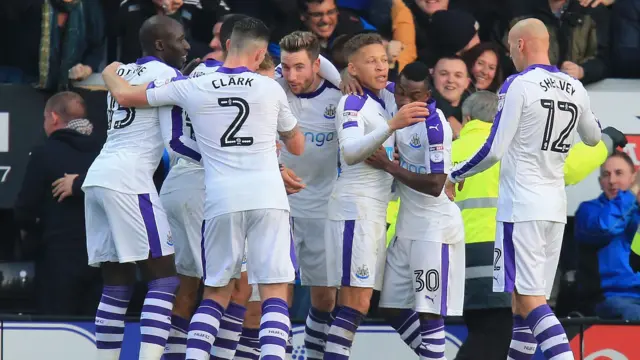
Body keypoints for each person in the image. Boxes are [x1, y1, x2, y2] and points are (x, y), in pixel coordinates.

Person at [101, 17, 305, 360]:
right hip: (269, 198)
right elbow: (297, 145)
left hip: (219, 200)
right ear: (258, 56)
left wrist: (110, 69)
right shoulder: (269, 88)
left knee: (213, 293)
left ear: (227, 45)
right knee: (272, 291)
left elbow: (123, 95)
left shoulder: (194, 85)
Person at [444, 18, 602, 360]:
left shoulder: (518, 84)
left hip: (521, 208)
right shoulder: (574, 87)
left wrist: (454, 174)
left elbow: (493, 149)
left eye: (509, 49)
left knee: (530, 302)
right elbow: (592, 136)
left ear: (520, 46)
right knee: (521, 304)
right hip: (554, 209)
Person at [82, 15, 192, 360]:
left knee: (117, 285)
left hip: (98, 176)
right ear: (160, 44)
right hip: (130, 180)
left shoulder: (122, 71)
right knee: (164, 280)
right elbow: (177, 137)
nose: (187, 45)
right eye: (180, 39)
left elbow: (113, 77)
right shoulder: (168, 76)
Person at [323, 33, 430, 359]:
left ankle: (432, 355)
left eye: (384, 60)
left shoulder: (383, 98)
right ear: (353, 69)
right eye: (371, 61)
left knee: (388, 302)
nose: (381, 67)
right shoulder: (351, 102)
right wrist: (390, 126)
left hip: (376, 211)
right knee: (355, 303)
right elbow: (352, 151)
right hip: (354, 209)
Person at [365, 61, 465, 360]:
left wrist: (388, 166)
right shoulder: (398, 105)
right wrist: (345, 77)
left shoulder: (435, 128)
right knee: (391, 308)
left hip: (434, 230)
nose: (407, 102)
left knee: (429, 311)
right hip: (408, 227)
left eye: (416, 95)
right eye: (402, 93)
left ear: (428, 94)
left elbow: (436, 184)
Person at [273, 30, 343, 360]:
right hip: (277, 205)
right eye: (286, 67)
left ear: (317, 65)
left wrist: (339, 77)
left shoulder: (340, 96)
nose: (292, 75)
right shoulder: (271, 90)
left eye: (300, 67)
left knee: (325, 297)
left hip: (322, 206)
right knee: (277, 290)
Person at [13, 92, 102, 316]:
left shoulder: (44, 154)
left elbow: (24, 210)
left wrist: (33, 238)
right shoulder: (105, 152)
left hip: (57, 262)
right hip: (102, 262)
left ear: (53, 118)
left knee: (57, 336)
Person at [575, 152, 640, 320]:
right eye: (606, 175)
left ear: (633, 177)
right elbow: (608, 227)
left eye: (619, 173)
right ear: (599, 182)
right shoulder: (589, 210)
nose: (612, 181)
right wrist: (631, 194)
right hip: (610, 297)